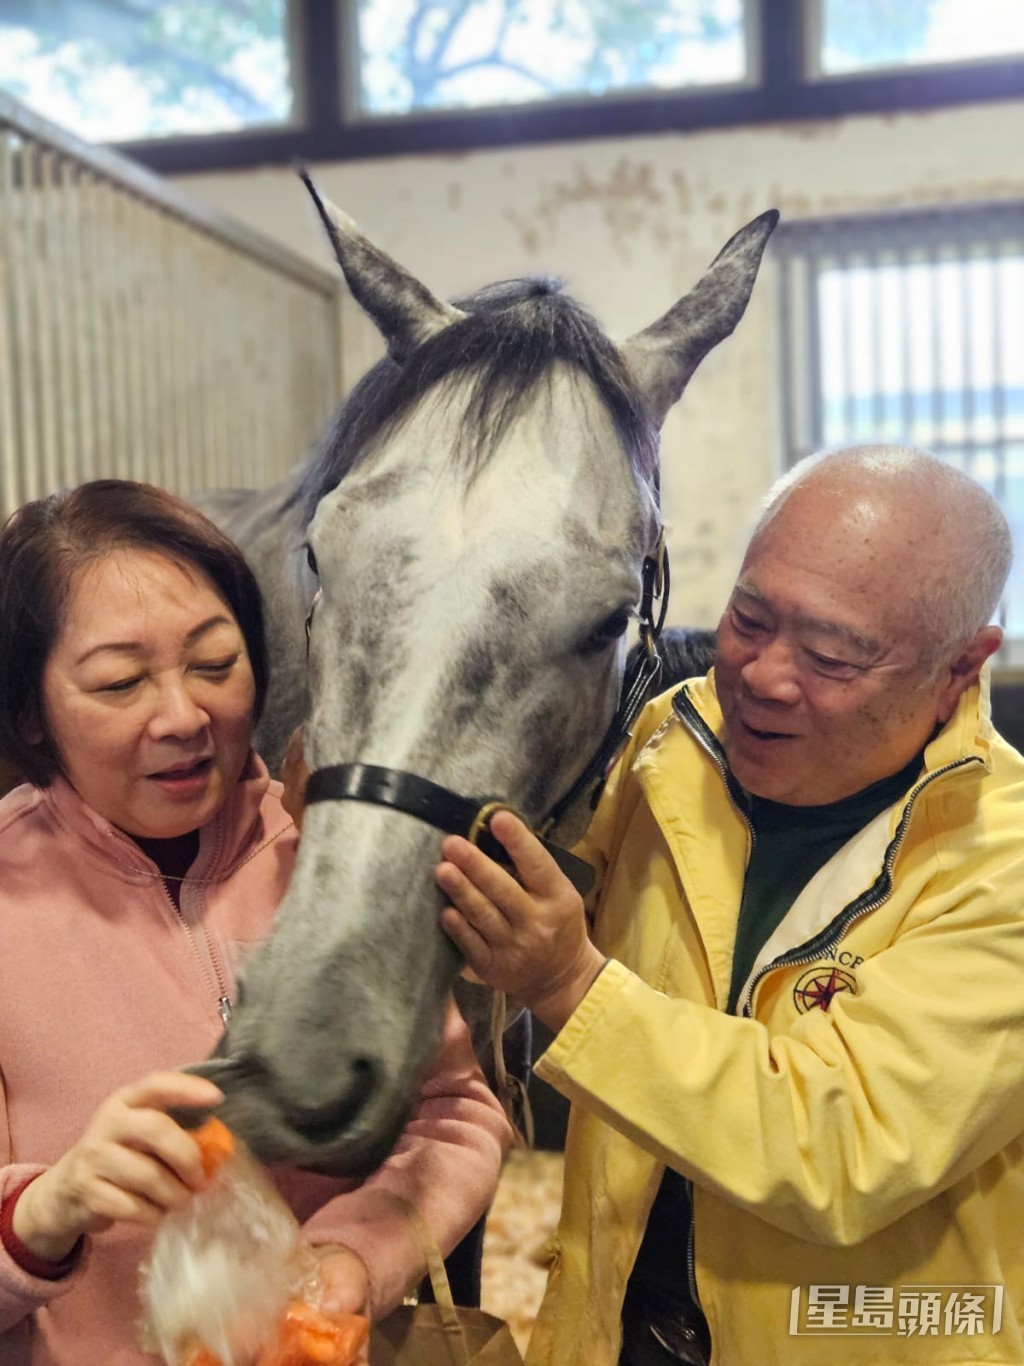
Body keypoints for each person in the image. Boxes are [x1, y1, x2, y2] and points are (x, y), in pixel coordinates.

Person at [434, 444, 1024, 1366]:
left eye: (832, 655)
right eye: (749, 618)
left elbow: (841, 1146)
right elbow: (506, 910)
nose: (762, 676)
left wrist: (570, 986)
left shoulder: (1003, 860)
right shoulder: (673, 744)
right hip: (618, 1330)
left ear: (962, 666)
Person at [0, 480, 510, 1365]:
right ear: (30, 718)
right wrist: (43, 1213)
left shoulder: (329, 864)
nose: (185, 717)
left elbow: (454, 1114)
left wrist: (350, 1257)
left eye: (213, 662)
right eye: (121, 682)